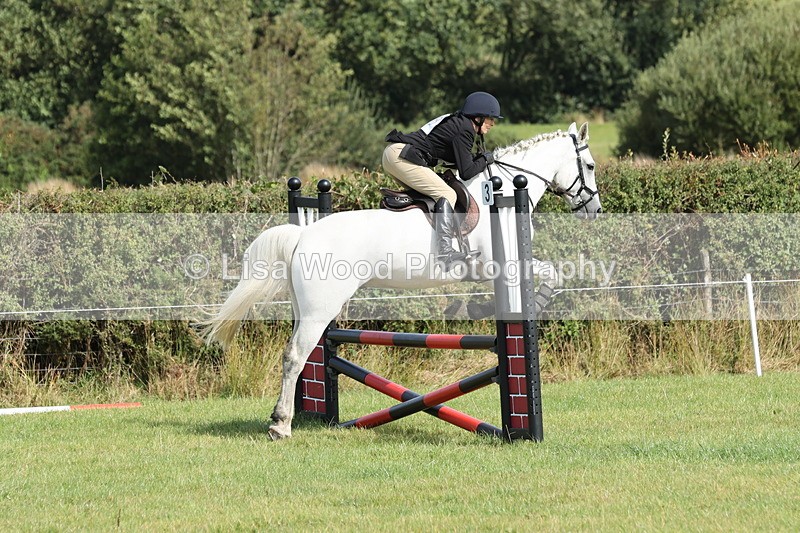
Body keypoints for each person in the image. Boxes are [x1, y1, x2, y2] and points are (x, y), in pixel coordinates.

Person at [382, 91, 502, 269]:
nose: (493, 123)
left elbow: (459, 165)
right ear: (478, 117)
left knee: (432, 196)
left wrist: (480, 158)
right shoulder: (465, 129)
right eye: (491, 118)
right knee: (447, 193)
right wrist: (485, 159)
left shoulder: (459, 123)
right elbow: (467, 172)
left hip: (396, 154)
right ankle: (445, 252)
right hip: (401, 156)